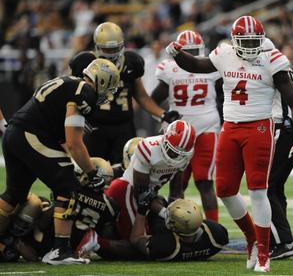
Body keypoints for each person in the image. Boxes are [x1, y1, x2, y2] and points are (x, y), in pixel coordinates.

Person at [166, 15, 293, 272]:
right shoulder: (224, 54)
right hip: (230, 127)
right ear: (235, 40)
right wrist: (177, 54)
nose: (251, 45)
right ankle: (252, 237)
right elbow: (198, 65)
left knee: (258, 191)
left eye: (255, 40)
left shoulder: (272, 59)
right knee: (225, 190)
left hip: (259, 127)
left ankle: (264, 253)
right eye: (246, 41)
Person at [0, 58, 120, 264]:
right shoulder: (85, 92)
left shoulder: (70, 82)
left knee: (14, 194)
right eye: (108, 86)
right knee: (69, 187)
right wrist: (92, 174)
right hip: (30, 136)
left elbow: (64, 140)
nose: (108, 93)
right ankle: (60, 251)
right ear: (100, 81)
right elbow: (74, 143)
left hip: (16, 133)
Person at [69, 22, 181, 165]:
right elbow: (72, 96)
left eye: (114, 49)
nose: (111, 54)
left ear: (122, 45)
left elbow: (141, 95)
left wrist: (162, 114)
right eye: (106, 49)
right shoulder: (85, 63)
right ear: (97, 46)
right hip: (95, 127)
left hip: (123, 127)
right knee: (92, 174)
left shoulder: (131, 62)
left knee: (126, 175)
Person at [92, 120, 196, 259]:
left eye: (180, 154)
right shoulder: (149, 149)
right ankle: (93, 241)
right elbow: (141, 193)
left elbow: (176, 192)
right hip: (126, 190)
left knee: (159, 237)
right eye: (172, 151)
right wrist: (165, 213)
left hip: (149, 197)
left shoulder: (186, 154)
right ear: (165, 138)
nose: (175, 157)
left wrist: (180, 215)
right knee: (140, 246)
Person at [151, 30, 222, 222]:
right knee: (196, 183)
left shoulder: (170, 68)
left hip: (184, 131)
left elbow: (153, 100)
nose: (190, 55)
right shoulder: (211, 67)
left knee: (190, 183)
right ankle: (189, 224)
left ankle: (203, 227)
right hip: (202, 127)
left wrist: (163, 117)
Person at [263, 38, 293, 259]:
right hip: (288, 130)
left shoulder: (274, 70)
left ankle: (285, 241)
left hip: (282, 130)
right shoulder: (287, 71)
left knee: (266, 188)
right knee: (276, 187)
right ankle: (280, 238)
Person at [130, 198, 228, 261]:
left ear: (173, 228)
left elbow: (135, 239)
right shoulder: (217, 236)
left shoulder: (166, 245)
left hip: (157, 235)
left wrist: (142, 210)